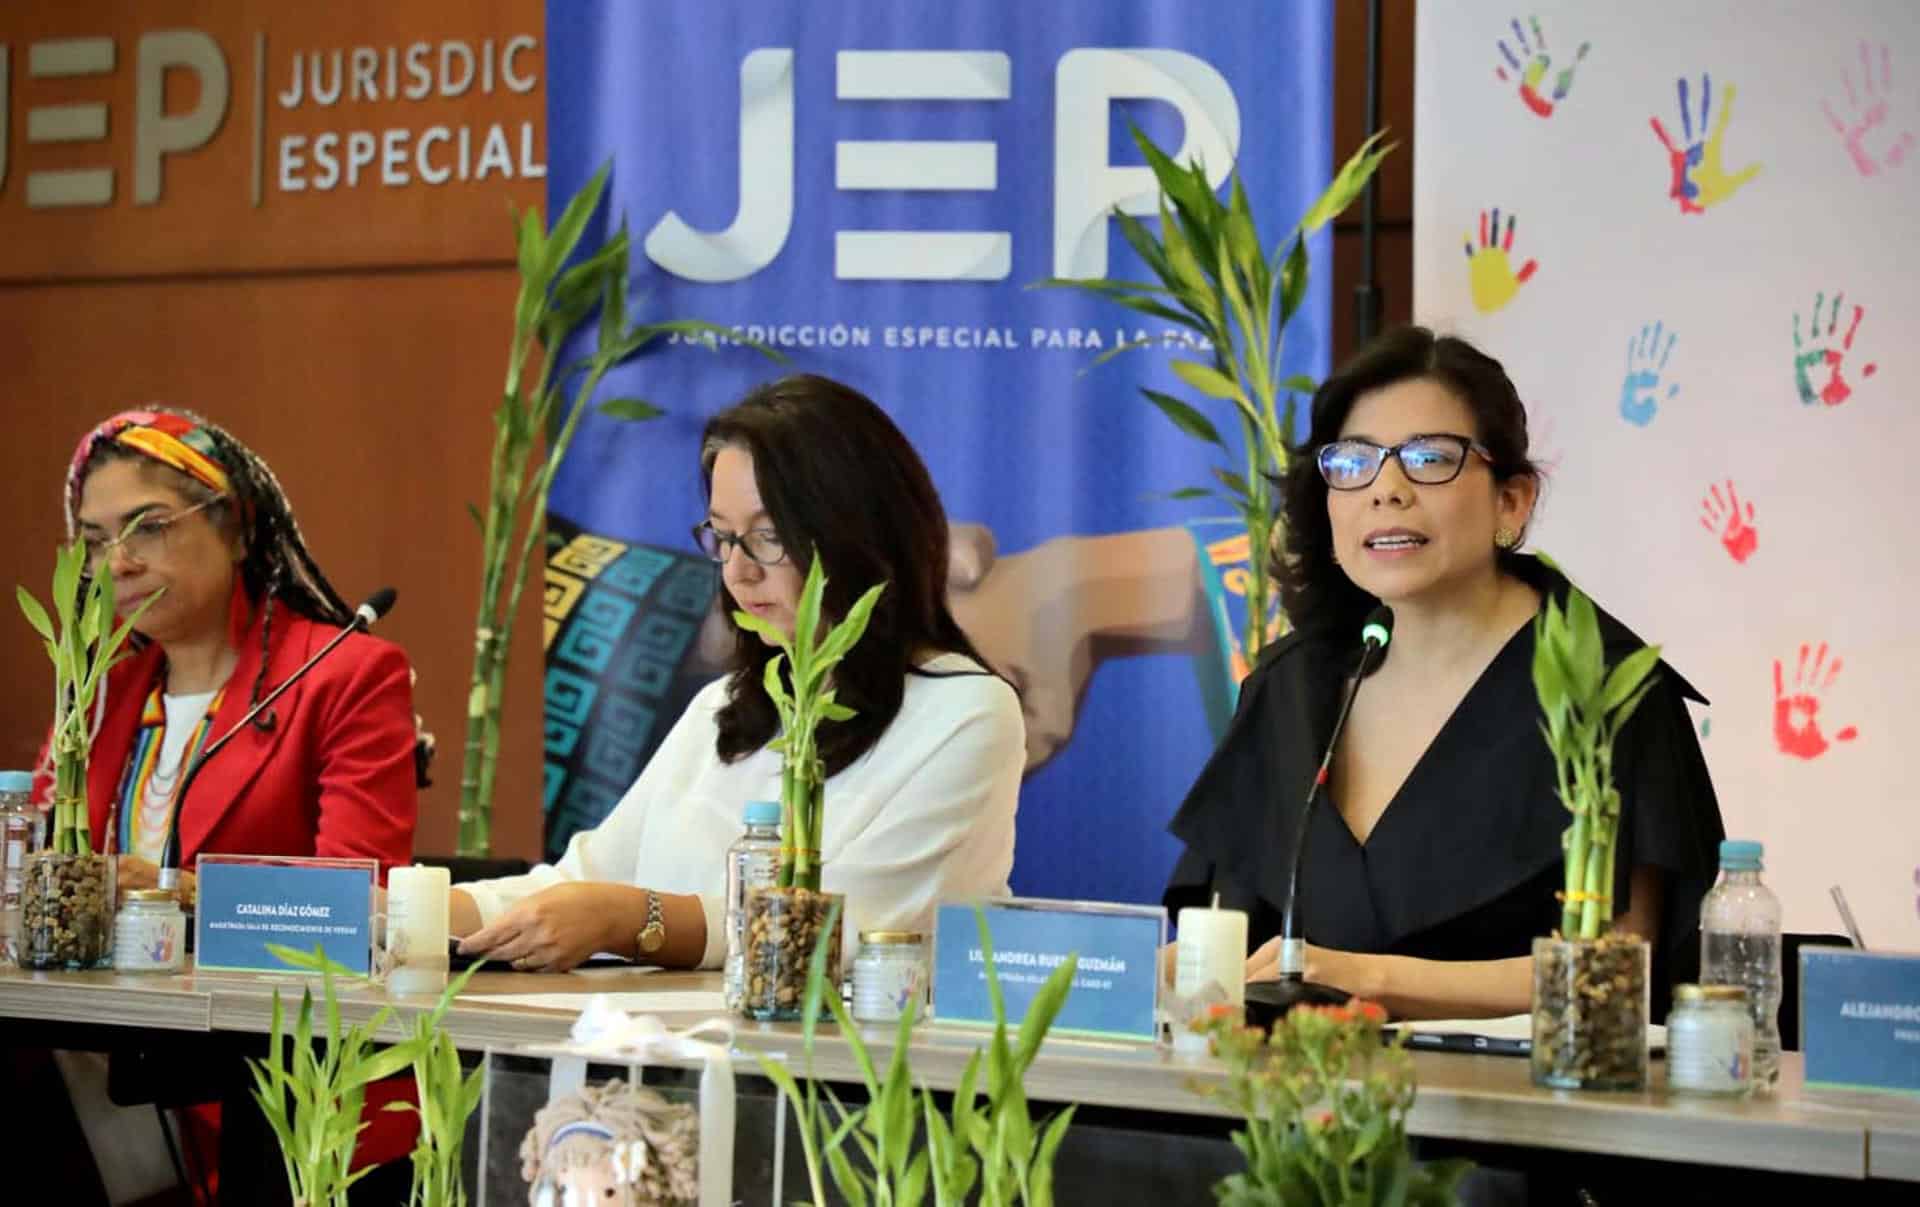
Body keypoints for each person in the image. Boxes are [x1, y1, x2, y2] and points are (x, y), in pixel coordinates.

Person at [1164, 327, 1724, 1021]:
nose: (1386, 489)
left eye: (1430, 458)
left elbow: (1622, 974)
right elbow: (1221, 946)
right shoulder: (1291, 688)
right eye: (1353, 463)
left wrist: (1373, 979)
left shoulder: (1608, 690)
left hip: (1530, 1112)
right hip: (1301, 1101)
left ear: (1511, 502)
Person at [454, 374, 1025, 972]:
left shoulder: (966, 711)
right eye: (724, 538)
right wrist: (408, 912)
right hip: (671, 1056)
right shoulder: (722, 705)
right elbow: (581, 883)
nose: (738, 572)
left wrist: (631, 918)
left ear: (863, 534)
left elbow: (842, 925)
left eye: (768, 537)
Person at [49, 407, 421, 893]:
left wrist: (187, 894)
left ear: (238, 530)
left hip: (283, 972)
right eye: (96, 542)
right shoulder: (99, 694)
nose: (117, 564)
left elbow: (364, 900)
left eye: (149, 527)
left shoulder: (345, 676)